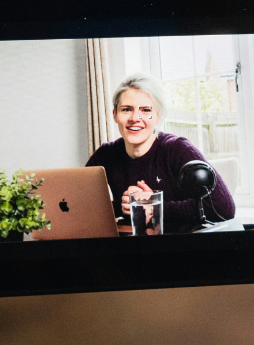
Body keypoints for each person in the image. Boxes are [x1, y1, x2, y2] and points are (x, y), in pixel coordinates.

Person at [86, 73, 235, 233]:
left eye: (145, 110)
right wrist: (124, 207)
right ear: (115, 115)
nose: (135, 118)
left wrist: (154, 206)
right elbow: (76, 203)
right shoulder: (106, 154)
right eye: (126, 109)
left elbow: (223, 208)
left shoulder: (178, 149)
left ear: (158, 117)